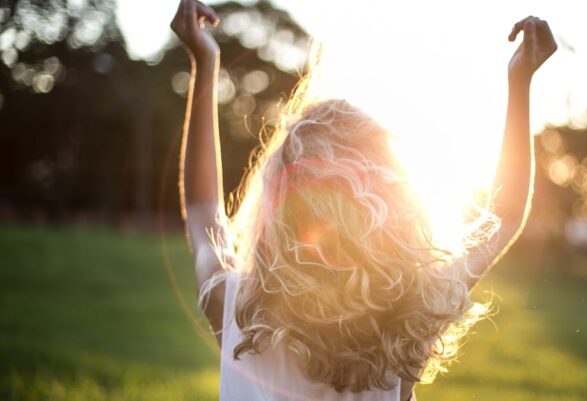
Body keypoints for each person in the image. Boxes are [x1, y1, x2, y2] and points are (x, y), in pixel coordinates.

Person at [171, 0, 556, 399]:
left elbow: (204, 210)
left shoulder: (236, 308)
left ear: (278, 209)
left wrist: (205, 62)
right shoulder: (410, 318)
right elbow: (503, 215)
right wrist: (520, 82)